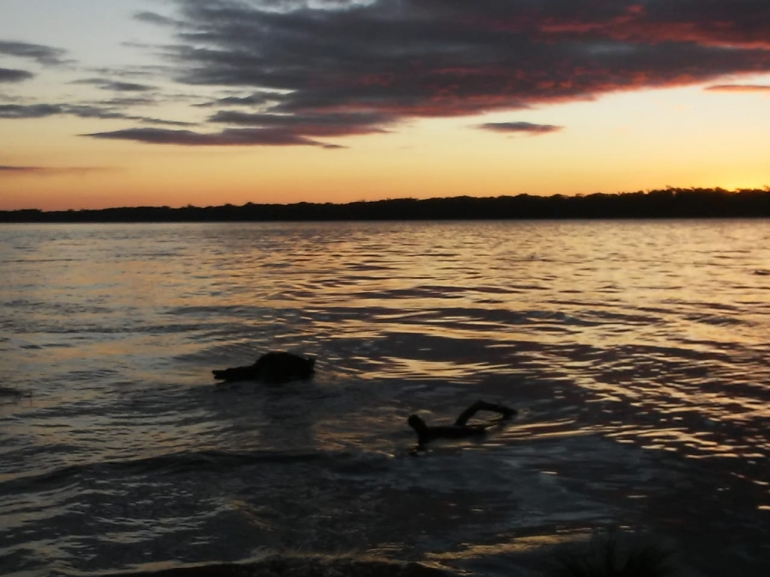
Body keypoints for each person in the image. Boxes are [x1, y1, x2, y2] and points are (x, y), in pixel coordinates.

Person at [407, 400, 516, 447]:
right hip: (462, 431)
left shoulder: (426, 433)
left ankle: (504, 411)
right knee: (495, 425)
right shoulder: (424, 437)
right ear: (416, 426)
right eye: (420, 422)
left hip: (458, 428)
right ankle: (506, 414)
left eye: (421, 420)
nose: (423, 422)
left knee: (477, 409)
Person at [212, 351, 315, 383]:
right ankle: (227, 374)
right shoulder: (303, 366)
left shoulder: (299, 361)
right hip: (273, 363)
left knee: (251, 372)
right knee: (253, 375)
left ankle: (227, 373)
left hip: (269, 359)